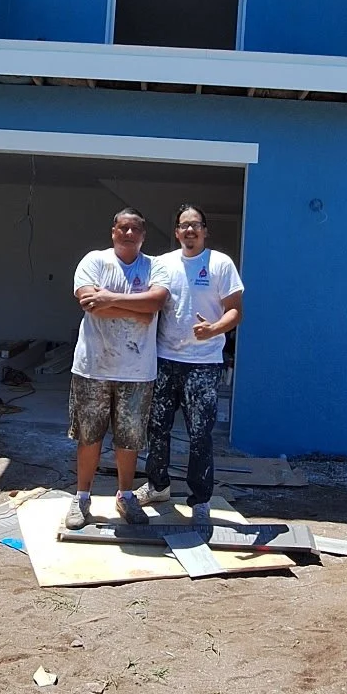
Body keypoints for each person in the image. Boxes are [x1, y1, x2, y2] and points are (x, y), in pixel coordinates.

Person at [137, 205, 244, 528]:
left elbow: (235, 310)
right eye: (184, 225)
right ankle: (158, 486)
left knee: (200, 435)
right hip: (165, 360)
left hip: (204, 364)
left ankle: (200, 500)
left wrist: (213, 329)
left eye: (195, 225)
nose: (189, 231)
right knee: (157, 429)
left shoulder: (220, 264)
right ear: (176, 231)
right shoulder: (163, 263)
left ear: (205, 231)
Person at [66, 207, 169, 531]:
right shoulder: (94, 261)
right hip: (92, 368)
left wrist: (108, 299)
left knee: (130, 440)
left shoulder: (155, 266)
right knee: (89, 436)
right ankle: (82, 498)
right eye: (123, 228)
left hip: (137, 372)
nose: (128, 233)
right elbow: (87, 302)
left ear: (143, 235)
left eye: (135, 229)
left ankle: (126, 495)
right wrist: (134, 309)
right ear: (113, 231)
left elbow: (154, 305)